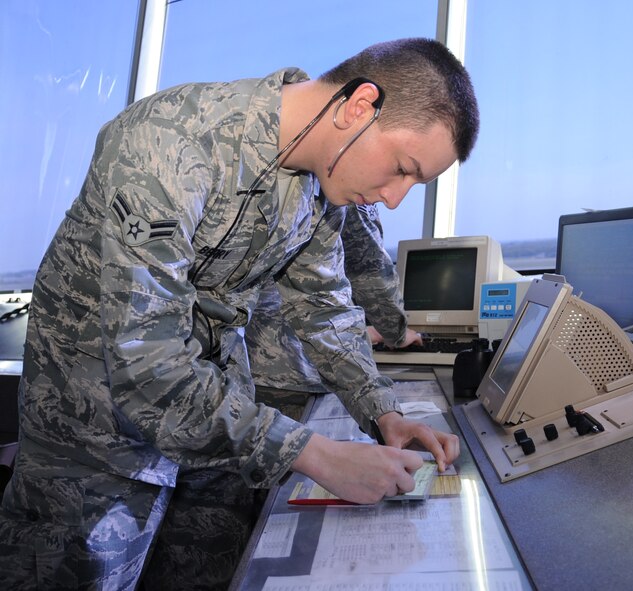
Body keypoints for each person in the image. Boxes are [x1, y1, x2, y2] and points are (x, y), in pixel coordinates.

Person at [0, 38, 479, 589]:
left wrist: (384, 414)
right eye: (402, 169)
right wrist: (314, 454)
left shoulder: (318, 192)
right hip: (93, 441)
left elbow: (325, 310)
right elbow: (147, 360)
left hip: (214, 435)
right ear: (357, 106)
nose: (395, 199)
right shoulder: (167, 144)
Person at [247, 202, 422, 420]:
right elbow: (369, 271)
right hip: (299, 364)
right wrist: (397, 333)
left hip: (251, 358)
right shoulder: (352, 191)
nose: (393, 197)